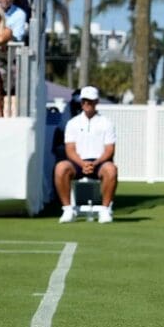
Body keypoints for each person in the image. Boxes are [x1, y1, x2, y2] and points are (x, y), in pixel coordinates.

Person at [55, 85, 118, 224]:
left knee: (111, 169)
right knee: (61, 167)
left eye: (90, 101)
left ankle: (105, 210)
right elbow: (70, 149)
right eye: (84, 101)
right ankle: (67, 210)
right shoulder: (72, 123)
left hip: (99, 163)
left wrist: (94, 164)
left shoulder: (106, 123)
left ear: (96, 102)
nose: (86, 104)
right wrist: (82, 163)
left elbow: (109, 150)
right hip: (78, 163)